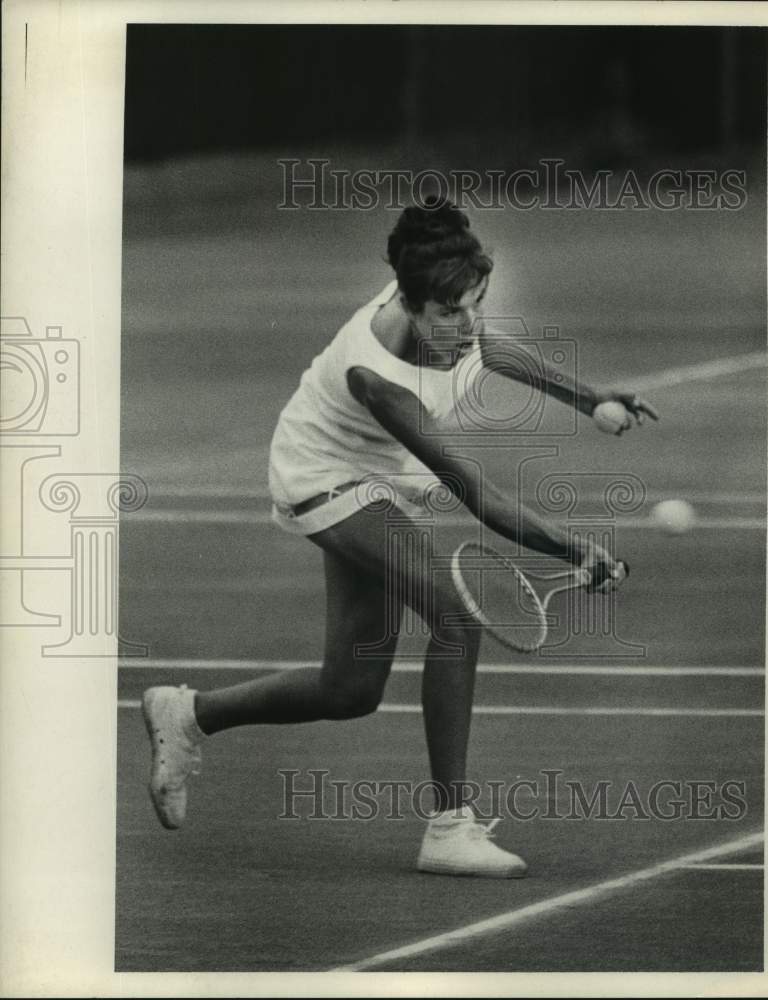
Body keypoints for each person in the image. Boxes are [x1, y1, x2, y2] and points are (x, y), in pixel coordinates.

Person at [142, 199, 658, 878]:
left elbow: (489, 347)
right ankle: (449, 829)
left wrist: (587, 397)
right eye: (449, 312)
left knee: (349, 690)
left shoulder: (446, 306)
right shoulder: (378, 378)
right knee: (455, 618)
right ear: (409, 305)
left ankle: (187, 714)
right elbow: (475, 493)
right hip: (324, 477)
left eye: (475, 303)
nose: (466, 323)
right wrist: (574, 548)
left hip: (375, 474)